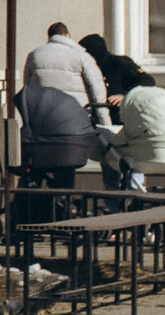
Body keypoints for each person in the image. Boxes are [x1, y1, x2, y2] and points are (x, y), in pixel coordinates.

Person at [18, 22, 108, 221]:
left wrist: (28, 121)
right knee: (66, 169)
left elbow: (27, 89)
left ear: (48, 35)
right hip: (73, 127)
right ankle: (62, 211)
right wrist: (105, 126)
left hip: (41, 127)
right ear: (69, 35)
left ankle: (30, 212)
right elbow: (97, 93)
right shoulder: (82, 56)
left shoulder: (34, 55)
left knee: (36, 168)